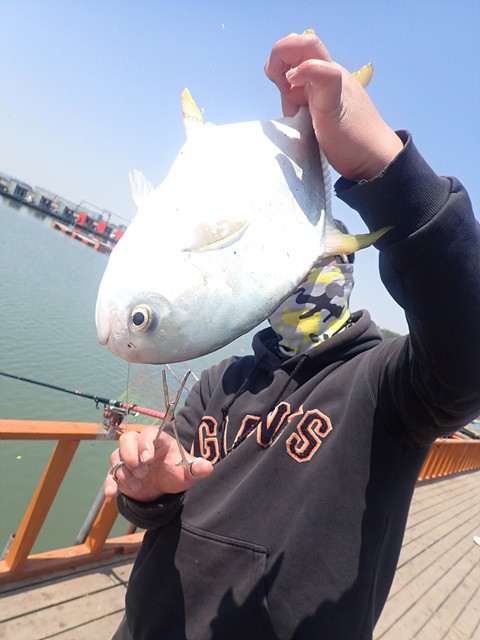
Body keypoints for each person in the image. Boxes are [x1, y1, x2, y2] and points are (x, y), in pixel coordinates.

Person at [104, 31, 480, 640]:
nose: (304, 283)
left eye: (324, 260)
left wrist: (381, 167)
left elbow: (469, 340)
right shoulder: (218, 382)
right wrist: (147, 490)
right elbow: (158, 500)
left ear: (348, 267)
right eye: (286, 273)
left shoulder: (391, 388)